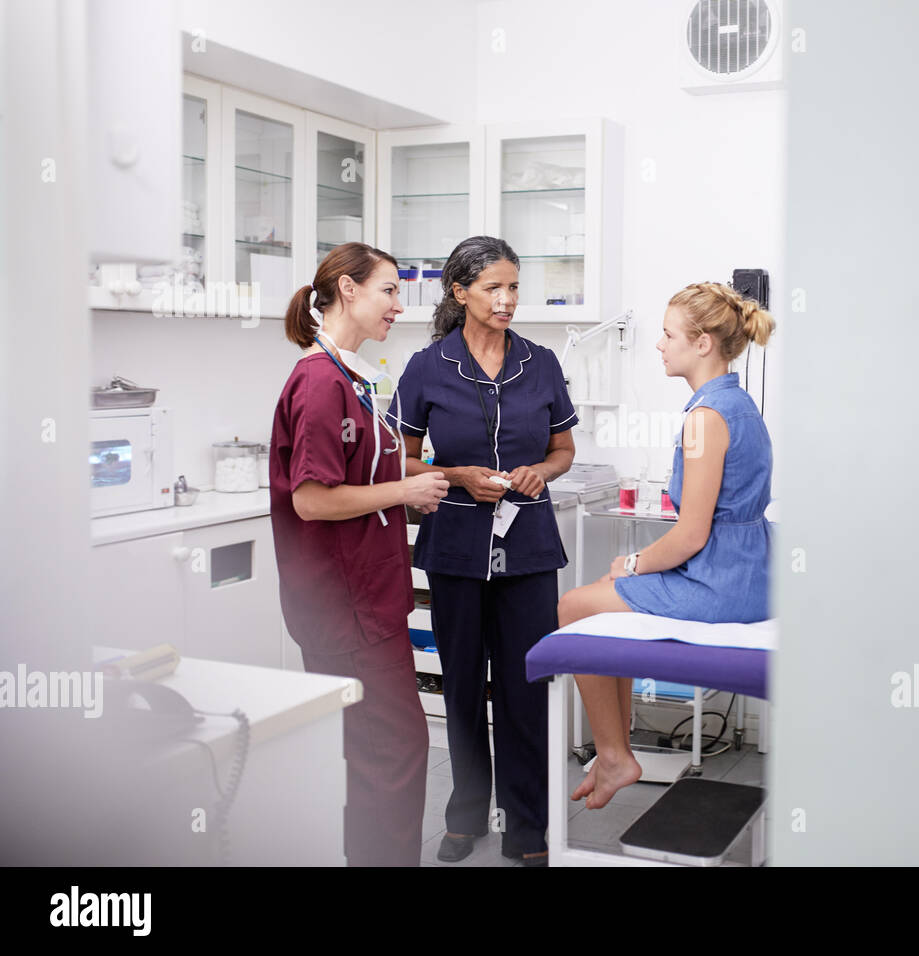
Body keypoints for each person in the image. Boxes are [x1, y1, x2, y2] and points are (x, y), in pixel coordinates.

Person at [557, 282, 776, 810]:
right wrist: (633, 571)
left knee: (573, 605)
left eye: (668, 333)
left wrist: (631, 562)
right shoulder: (737, 404)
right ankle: (618, 743)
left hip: (720, 584)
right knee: (613, 601)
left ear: (703, 344)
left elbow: (691, 535)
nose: (659, 344)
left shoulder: (706, 418)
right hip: (750, 573)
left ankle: (614, 754)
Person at [395, 236, 578, 866]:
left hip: (526, 547)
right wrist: (460, 475)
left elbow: (563, 450)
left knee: (526, 686)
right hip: (455, 545)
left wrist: (541, 474)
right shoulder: (426, 367)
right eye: (494, 288)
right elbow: (405, 457)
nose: (507, 300)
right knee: (463, 686)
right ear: (460, 291)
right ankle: (467, 814)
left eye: (514, 287)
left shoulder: (541, 362)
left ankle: (528, 827)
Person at [269, 242, 450, 866]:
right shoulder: (319, 381)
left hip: (365, 598)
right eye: (390, 291)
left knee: (368, 754)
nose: (399, 305)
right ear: (347, 290)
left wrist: (438, 477)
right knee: (396, 750)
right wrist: (405, 489)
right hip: (345, 607)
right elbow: (313, 501)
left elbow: (367, 469)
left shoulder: (352, 373)